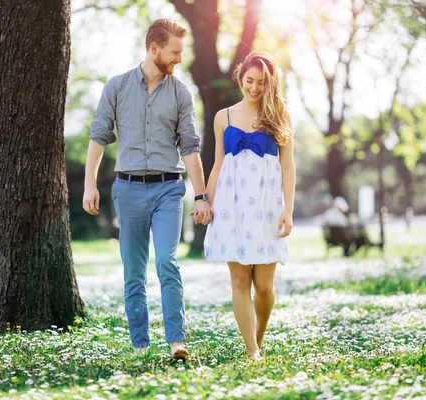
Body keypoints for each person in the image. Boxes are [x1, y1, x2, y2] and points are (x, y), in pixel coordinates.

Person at [82, 18, 212, 360]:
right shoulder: (116, 87)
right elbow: (98, 137)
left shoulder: (181, 93)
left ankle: (176, 342)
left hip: (169, 188)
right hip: (128, 190)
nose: (179, 59)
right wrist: (89, 186)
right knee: (133, 272)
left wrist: (200, 196)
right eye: (174, 52)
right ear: (153, 49)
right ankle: (140, 345)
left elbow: (190, 147)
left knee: (168, 262)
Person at [201, 51, 296, 360]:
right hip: (232, 207)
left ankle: (259, 332)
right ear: (240, 78)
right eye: (249, 81)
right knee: (240, 281)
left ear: (271, 83)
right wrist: (205, 200)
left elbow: (288, 166)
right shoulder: (222, 117)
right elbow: (217, 166)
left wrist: (289, 209)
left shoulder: (279, 114)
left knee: (264, 286)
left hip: (267, 206)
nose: (254, 87)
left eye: (261, 82)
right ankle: (252, 350)